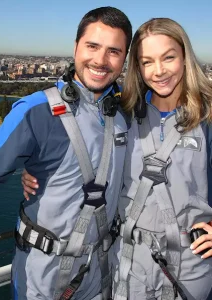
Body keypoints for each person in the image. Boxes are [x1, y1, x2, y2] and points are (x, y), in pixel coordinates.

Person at [0, 7, 133, 300]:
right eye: (92, 46)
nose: (100, 60)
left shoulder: (128, 111)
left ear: (124, 58)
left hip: (102, 270)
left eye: (113, 51)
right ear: (75, 47)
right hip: (42, 276)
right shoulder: (36, 111)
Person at [22, 18, 212, 300]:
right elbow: (90, 156)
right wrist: (37, 171)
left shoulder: (207, 118)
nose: (158, 71)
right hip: (130, 263)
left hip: (190, 264)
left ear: (185, 57)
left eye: (168, 58)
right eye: (147, 62)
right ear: (137, 67)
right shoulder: (123, 114)